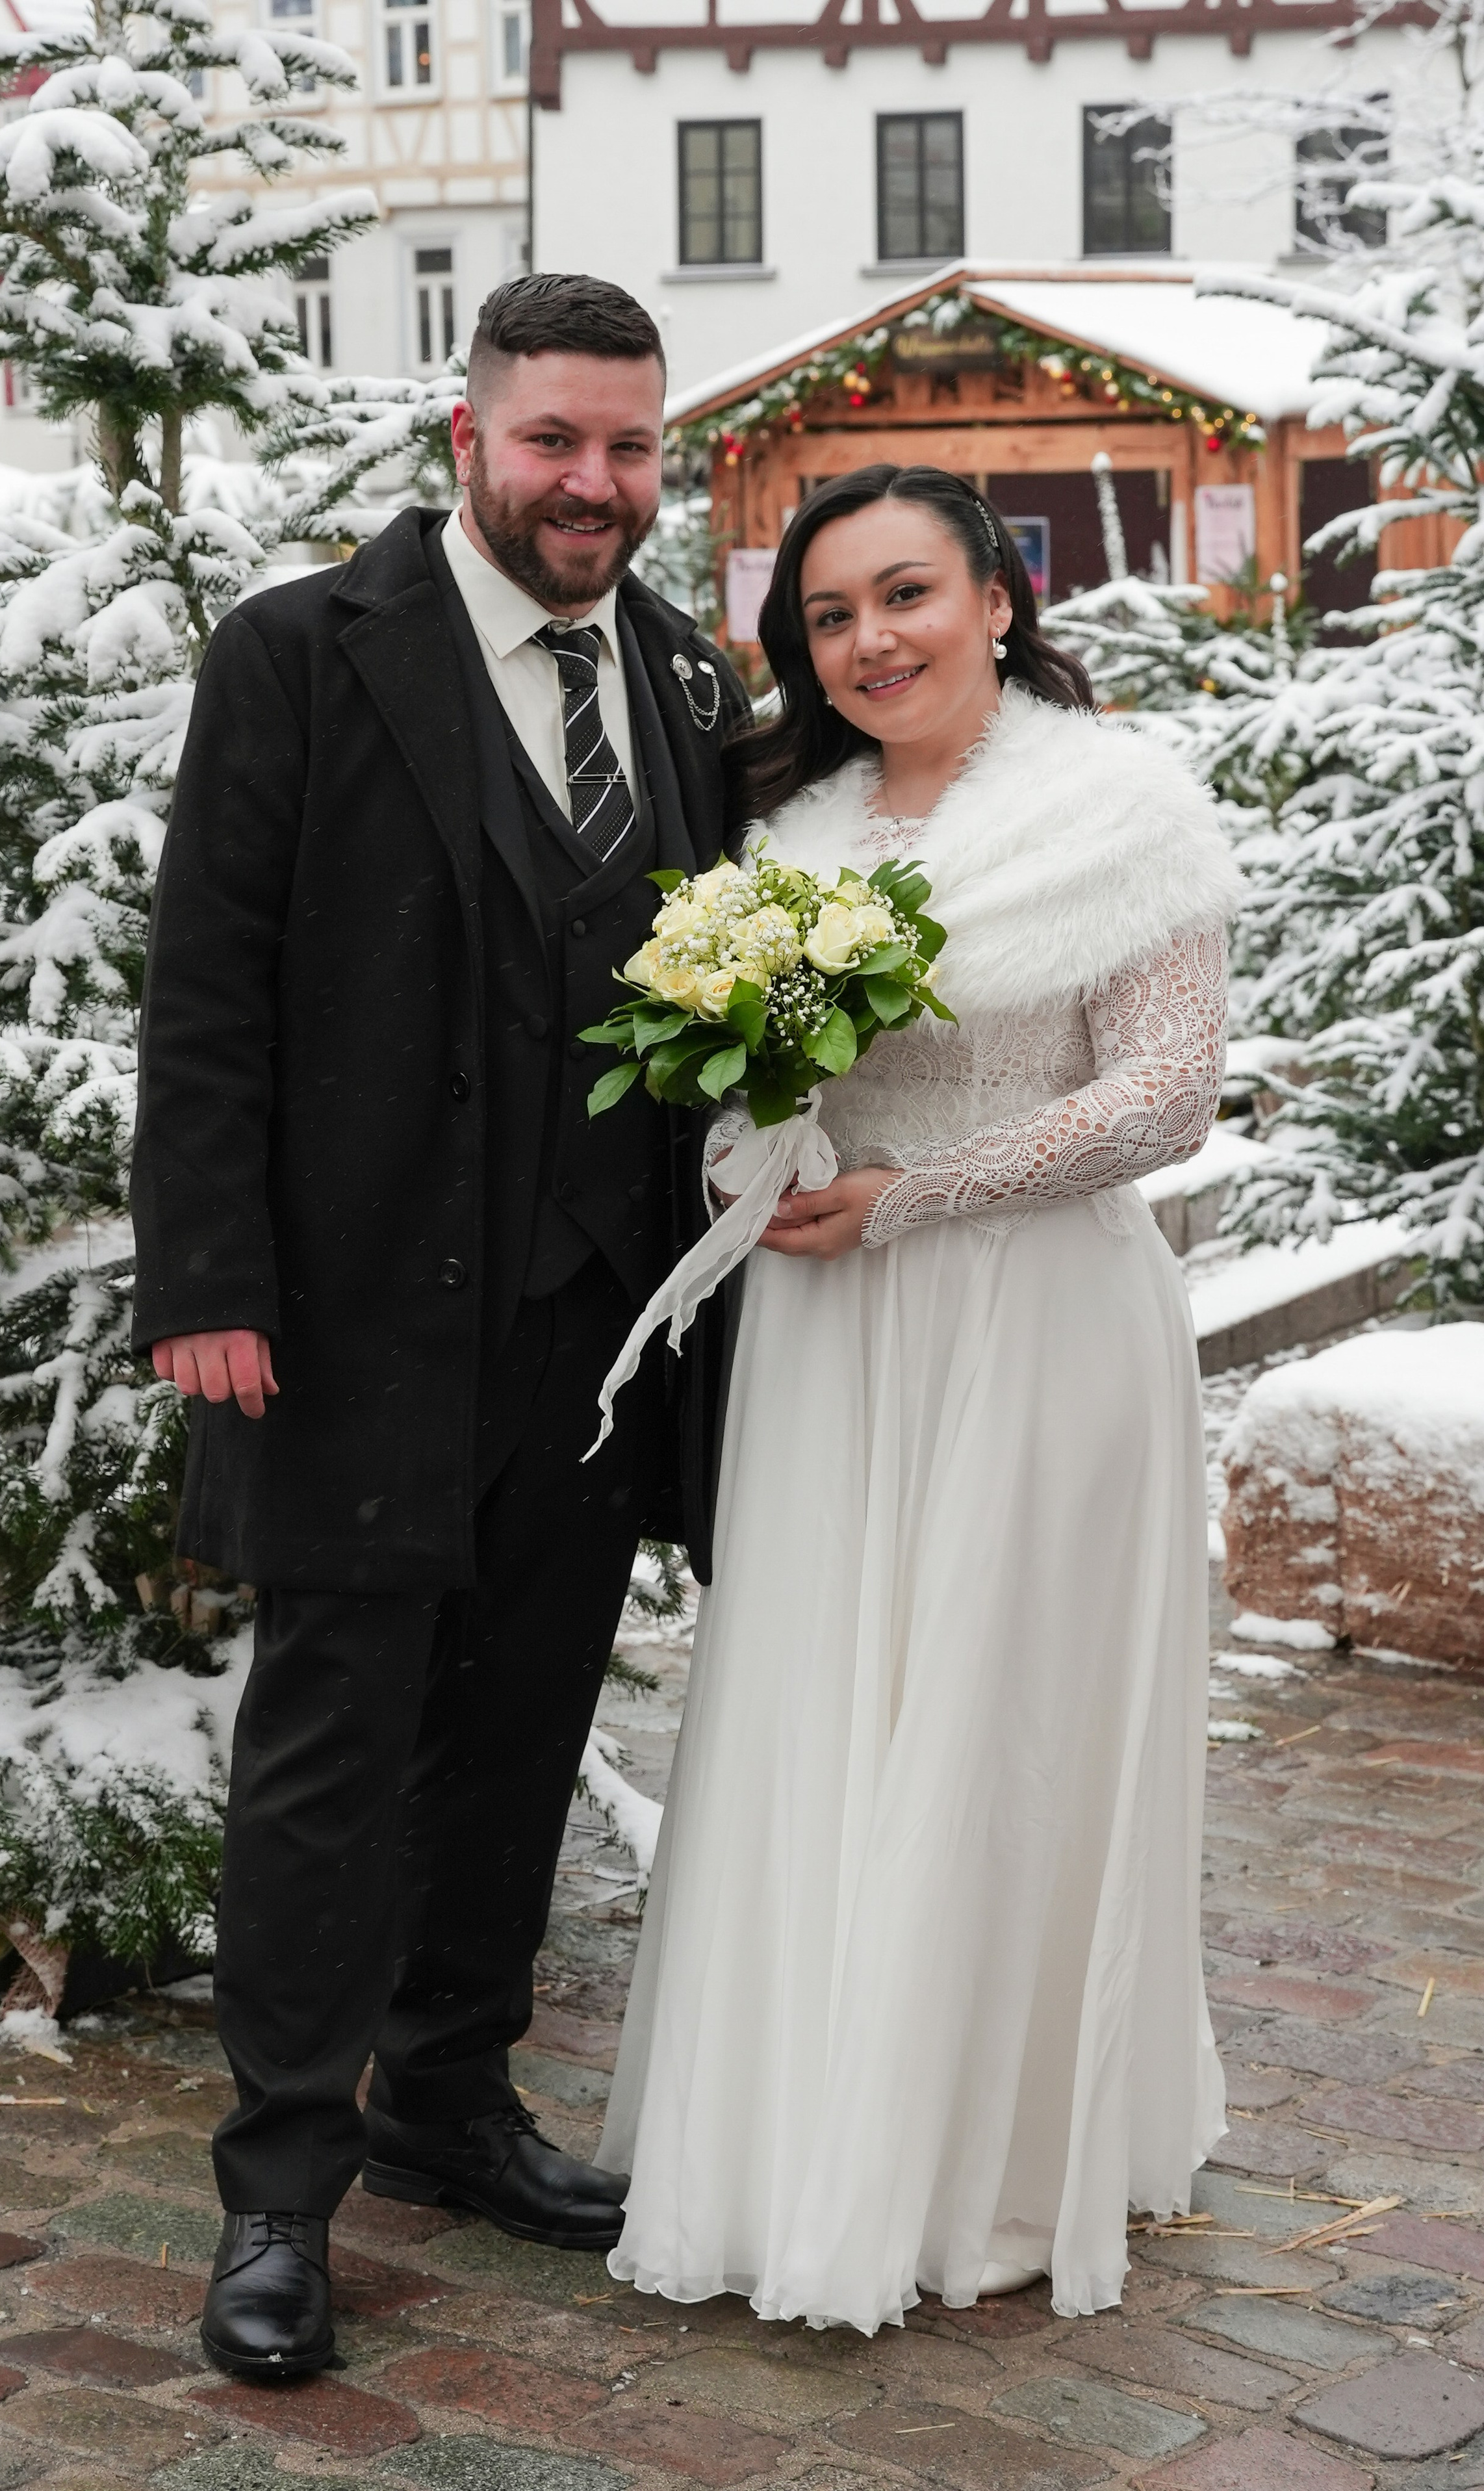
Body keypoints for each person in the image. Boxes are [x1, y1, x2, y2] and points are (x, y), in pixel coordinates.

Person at [131, 272, 749, 2380]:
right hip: (352, 1316)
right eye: (557, 439)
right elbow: (208, 977)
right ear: (467, 438)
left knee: (521, 1727)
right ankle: (279, 2195)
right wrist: (206, 1275)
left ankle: (451, 2099)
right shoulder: (304, 652)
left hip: (594, 1329)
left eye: (632, 445)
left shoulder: (674, 671)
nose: (596, 482)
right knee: (330, 1756)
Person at [599, 463, 1237, 2330]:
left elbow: (1167, 1091)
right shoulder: (788, 832)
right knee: (823, 1712)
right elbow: (751, 1083)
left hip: (1031, 1324)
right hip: (829, 1338)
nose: (869, 640)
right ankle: (807, 2137)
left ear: (999, 598)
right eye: (827, 615)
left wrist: (920, 1198)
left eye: (906, 596)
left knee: (993, 1721)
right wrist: (755, 1158)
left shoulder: (1118, 811)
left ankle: (990, 2160)